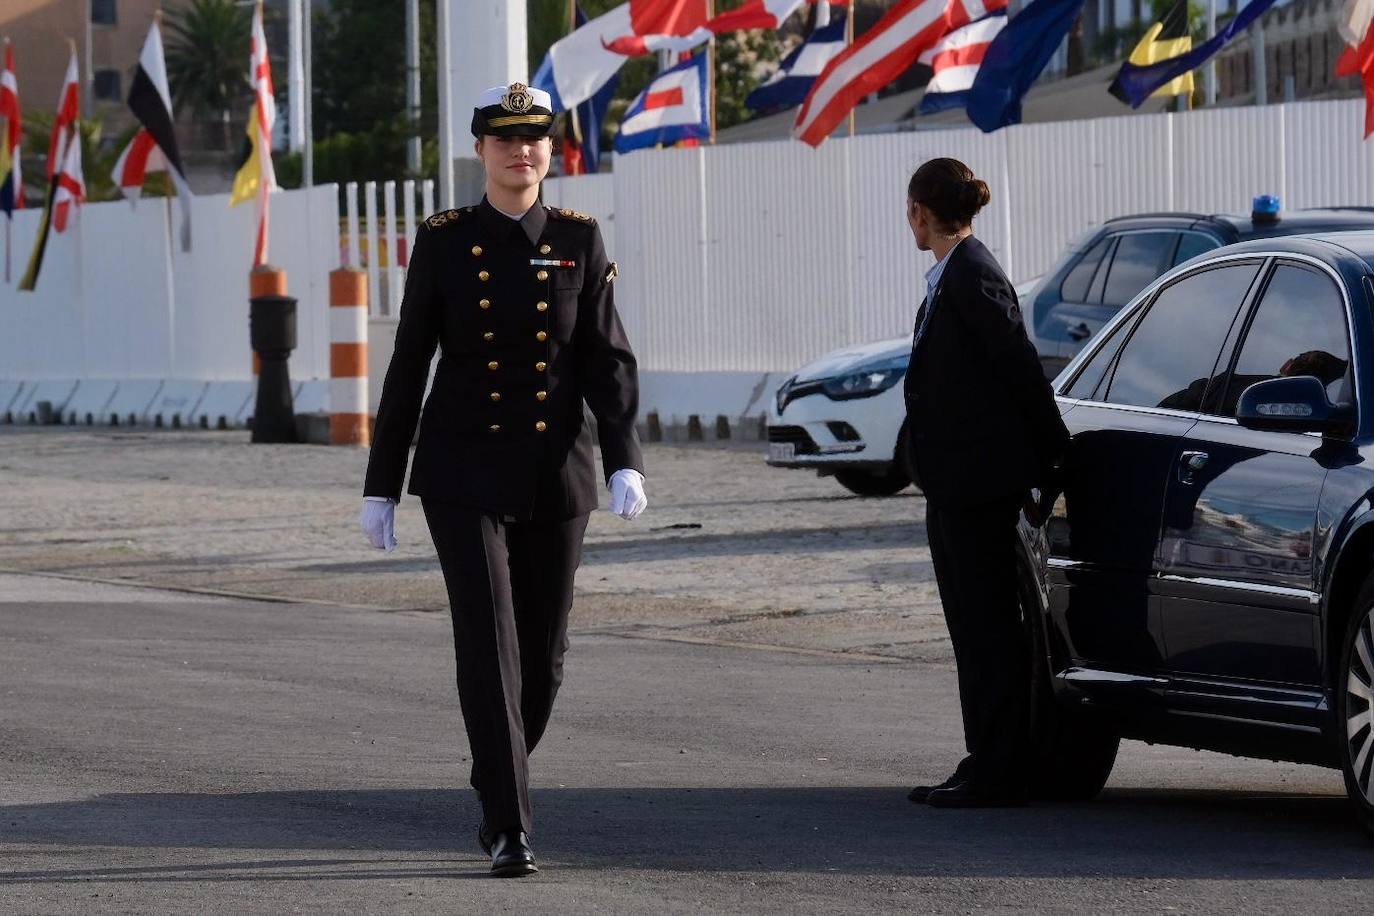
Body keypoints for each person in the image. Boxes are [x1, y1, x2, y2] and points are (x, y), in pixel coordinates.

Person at [357, 83, 648, 877]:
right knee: (487, 645)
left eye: (535, 140)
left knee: (543, 657)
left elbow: (605, 361)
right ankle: (509, 824)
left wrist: (625, 457)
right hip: (461, 466)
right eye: (505, 139)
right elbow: (409, 360)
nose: (522, 152)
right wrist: (381, 483)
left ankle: (496, 768)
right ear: (481, 150)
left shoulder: (580, 240)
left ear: (551, 151)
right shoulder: (446, 239)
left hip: (556, 468)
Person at [901, 158, 1068, 808]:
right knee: (970, 627)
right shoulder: (950, 277)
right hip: (952, 488)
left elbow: (1018, 364)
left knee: (990, 628)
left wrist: (1052, 454)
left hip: (977, 490)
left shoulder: (973, 275)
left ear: (921, 211)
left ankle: (1002, 766)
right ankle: (985, 758)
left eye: (909, 210)